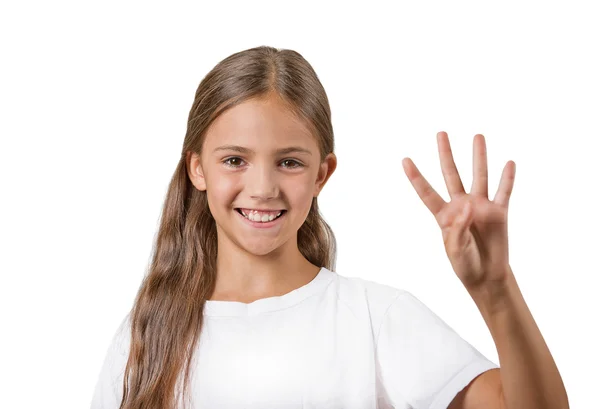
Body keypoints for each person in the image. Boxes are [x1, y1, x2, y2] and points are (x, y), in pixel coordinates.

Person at [91, 46, 569, 409]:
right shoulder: (147, 336)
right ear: (197, 169)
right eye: (234, 160)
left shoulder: (374, 319)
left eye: (289, 162)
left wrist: (496, 291)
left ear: (322, 173)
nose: (262, 188)